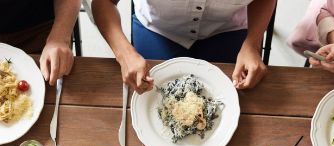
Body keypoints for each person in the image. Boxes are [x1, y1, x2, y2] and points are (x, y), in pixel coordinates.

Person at [90, 0, 277, 93]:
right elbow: (103, 2)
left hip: (228, 29)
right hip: (158, 28)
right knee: (150, 99)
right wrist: (125, 54)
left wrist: (252, 43)